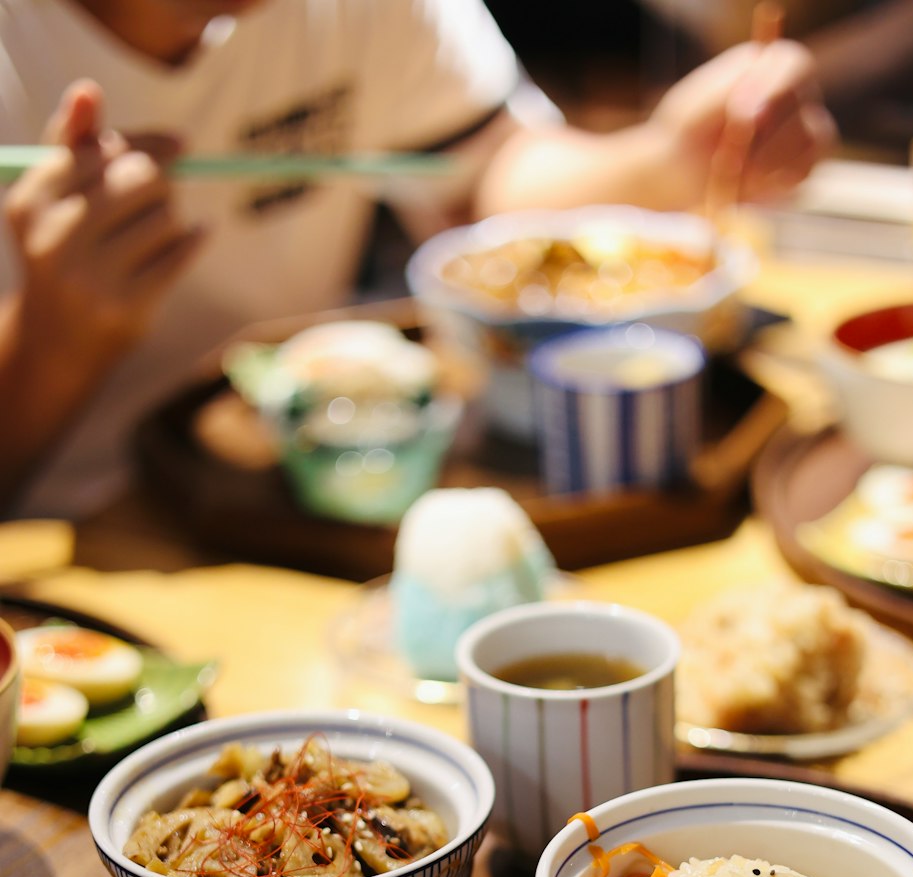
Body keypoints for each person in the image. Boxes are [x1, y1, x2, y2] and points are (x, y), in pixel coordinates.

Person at [0, 0, 833, 517]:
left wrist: (671, 158)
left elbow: (490, 177)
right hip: (56, 555)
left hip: (298, 501)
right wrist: (48, 340)